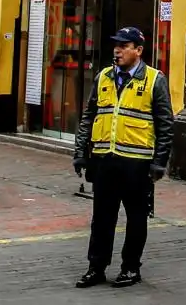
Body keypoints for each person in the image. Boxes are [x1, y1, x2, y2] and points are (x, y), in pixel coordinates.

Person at [73, 27, 173, 290]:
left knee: (136, 217)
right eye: (115, 45)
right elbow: (89, 116)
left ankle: (131, 268)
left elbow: (165, 124)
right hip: (105, 159)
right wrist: (81, 153)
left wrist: (159, 163)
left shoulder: (154, 80)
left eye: (124, 45)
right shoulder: (103, 77)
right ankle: (96, 267)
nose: (117, 50)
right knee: (102, 217)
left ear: (138, 50)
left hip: (137, 163)